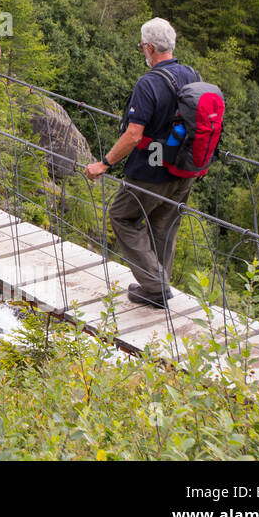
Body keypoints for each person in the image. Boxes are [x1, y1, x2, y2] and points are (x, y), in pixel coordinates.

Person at [84, 18, 200, 307]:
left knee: (122, 216)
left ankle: (156, 286)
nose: (142, 51)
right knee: (163, 225)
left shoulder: (149, 83)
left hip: (151, 171)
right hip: (185, 170)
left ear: (149, 47)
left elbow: (134, 134)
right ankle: (156, 288)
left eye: (142, 47)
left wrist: (104, 164)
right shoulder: (192, 75)